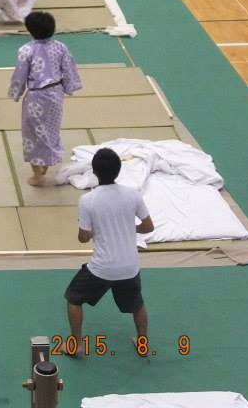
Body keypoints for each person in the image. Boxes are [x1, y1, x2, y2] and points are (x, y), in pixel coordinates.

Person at [65, 148, 154, 352]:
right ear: (119, 170)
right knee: (137, 304)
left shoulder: (87, 200)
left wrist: (94, 230)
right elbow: (148, 227)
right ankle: (143, 345)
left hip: (102, 268)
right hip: (130, 267)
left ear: (94, 172)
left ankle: (75, 345)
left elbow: (82, 238)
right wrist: (130, 228)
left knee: (73, 298)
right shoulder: (133, 195)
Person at [8, 11, 82, 186]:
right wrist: (70, 87)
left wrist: (16, 92)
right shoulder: (61, 47)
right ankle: (46, 164)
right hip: (56, 93)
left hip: (36, 96)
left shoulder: (26, 50)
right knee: (51, 129)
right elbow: (69, 68)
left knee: (32, 133)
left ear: (30, 30)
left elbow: (20, 75)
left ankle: (38, 174)